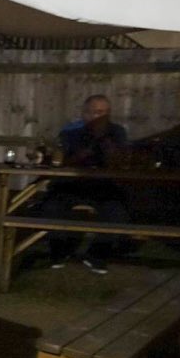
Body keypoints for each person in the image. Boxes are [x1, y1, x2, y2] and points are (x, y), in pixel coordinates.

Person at [44, 94, 131, 275]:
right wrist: (83, 153)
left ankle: (96, 255)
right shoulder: (71, 132)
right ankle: (59, 251)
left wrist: (105, 141)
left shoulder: (117, 132)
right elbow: (61, 160)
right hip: (72, 184)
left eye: (104, 112)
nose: (99, 116)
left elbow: (121, 160)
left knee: (117, 211)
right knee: (52, 207)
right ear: (85, 113)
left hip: (102, 186)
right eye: (95, 112)